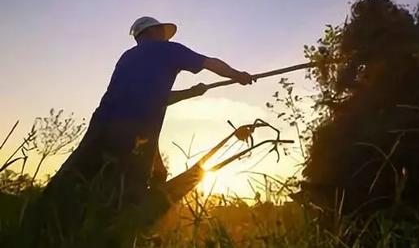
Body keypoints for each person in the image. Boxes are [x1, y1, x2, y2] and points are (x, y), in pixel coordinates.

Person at [29, 16, 253, 247]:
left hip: (101, 126)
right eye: (162, 33)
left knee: (75, 178)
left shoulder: (126, 57)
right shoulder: (169, 50)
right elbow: (210, 62)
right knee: (129, 198)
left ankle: (38, 228)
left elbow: (152, 95)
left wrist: (192, 93)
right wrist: (238, 75)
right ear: (154, 32)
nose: (164, 37)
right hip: (137, 130)